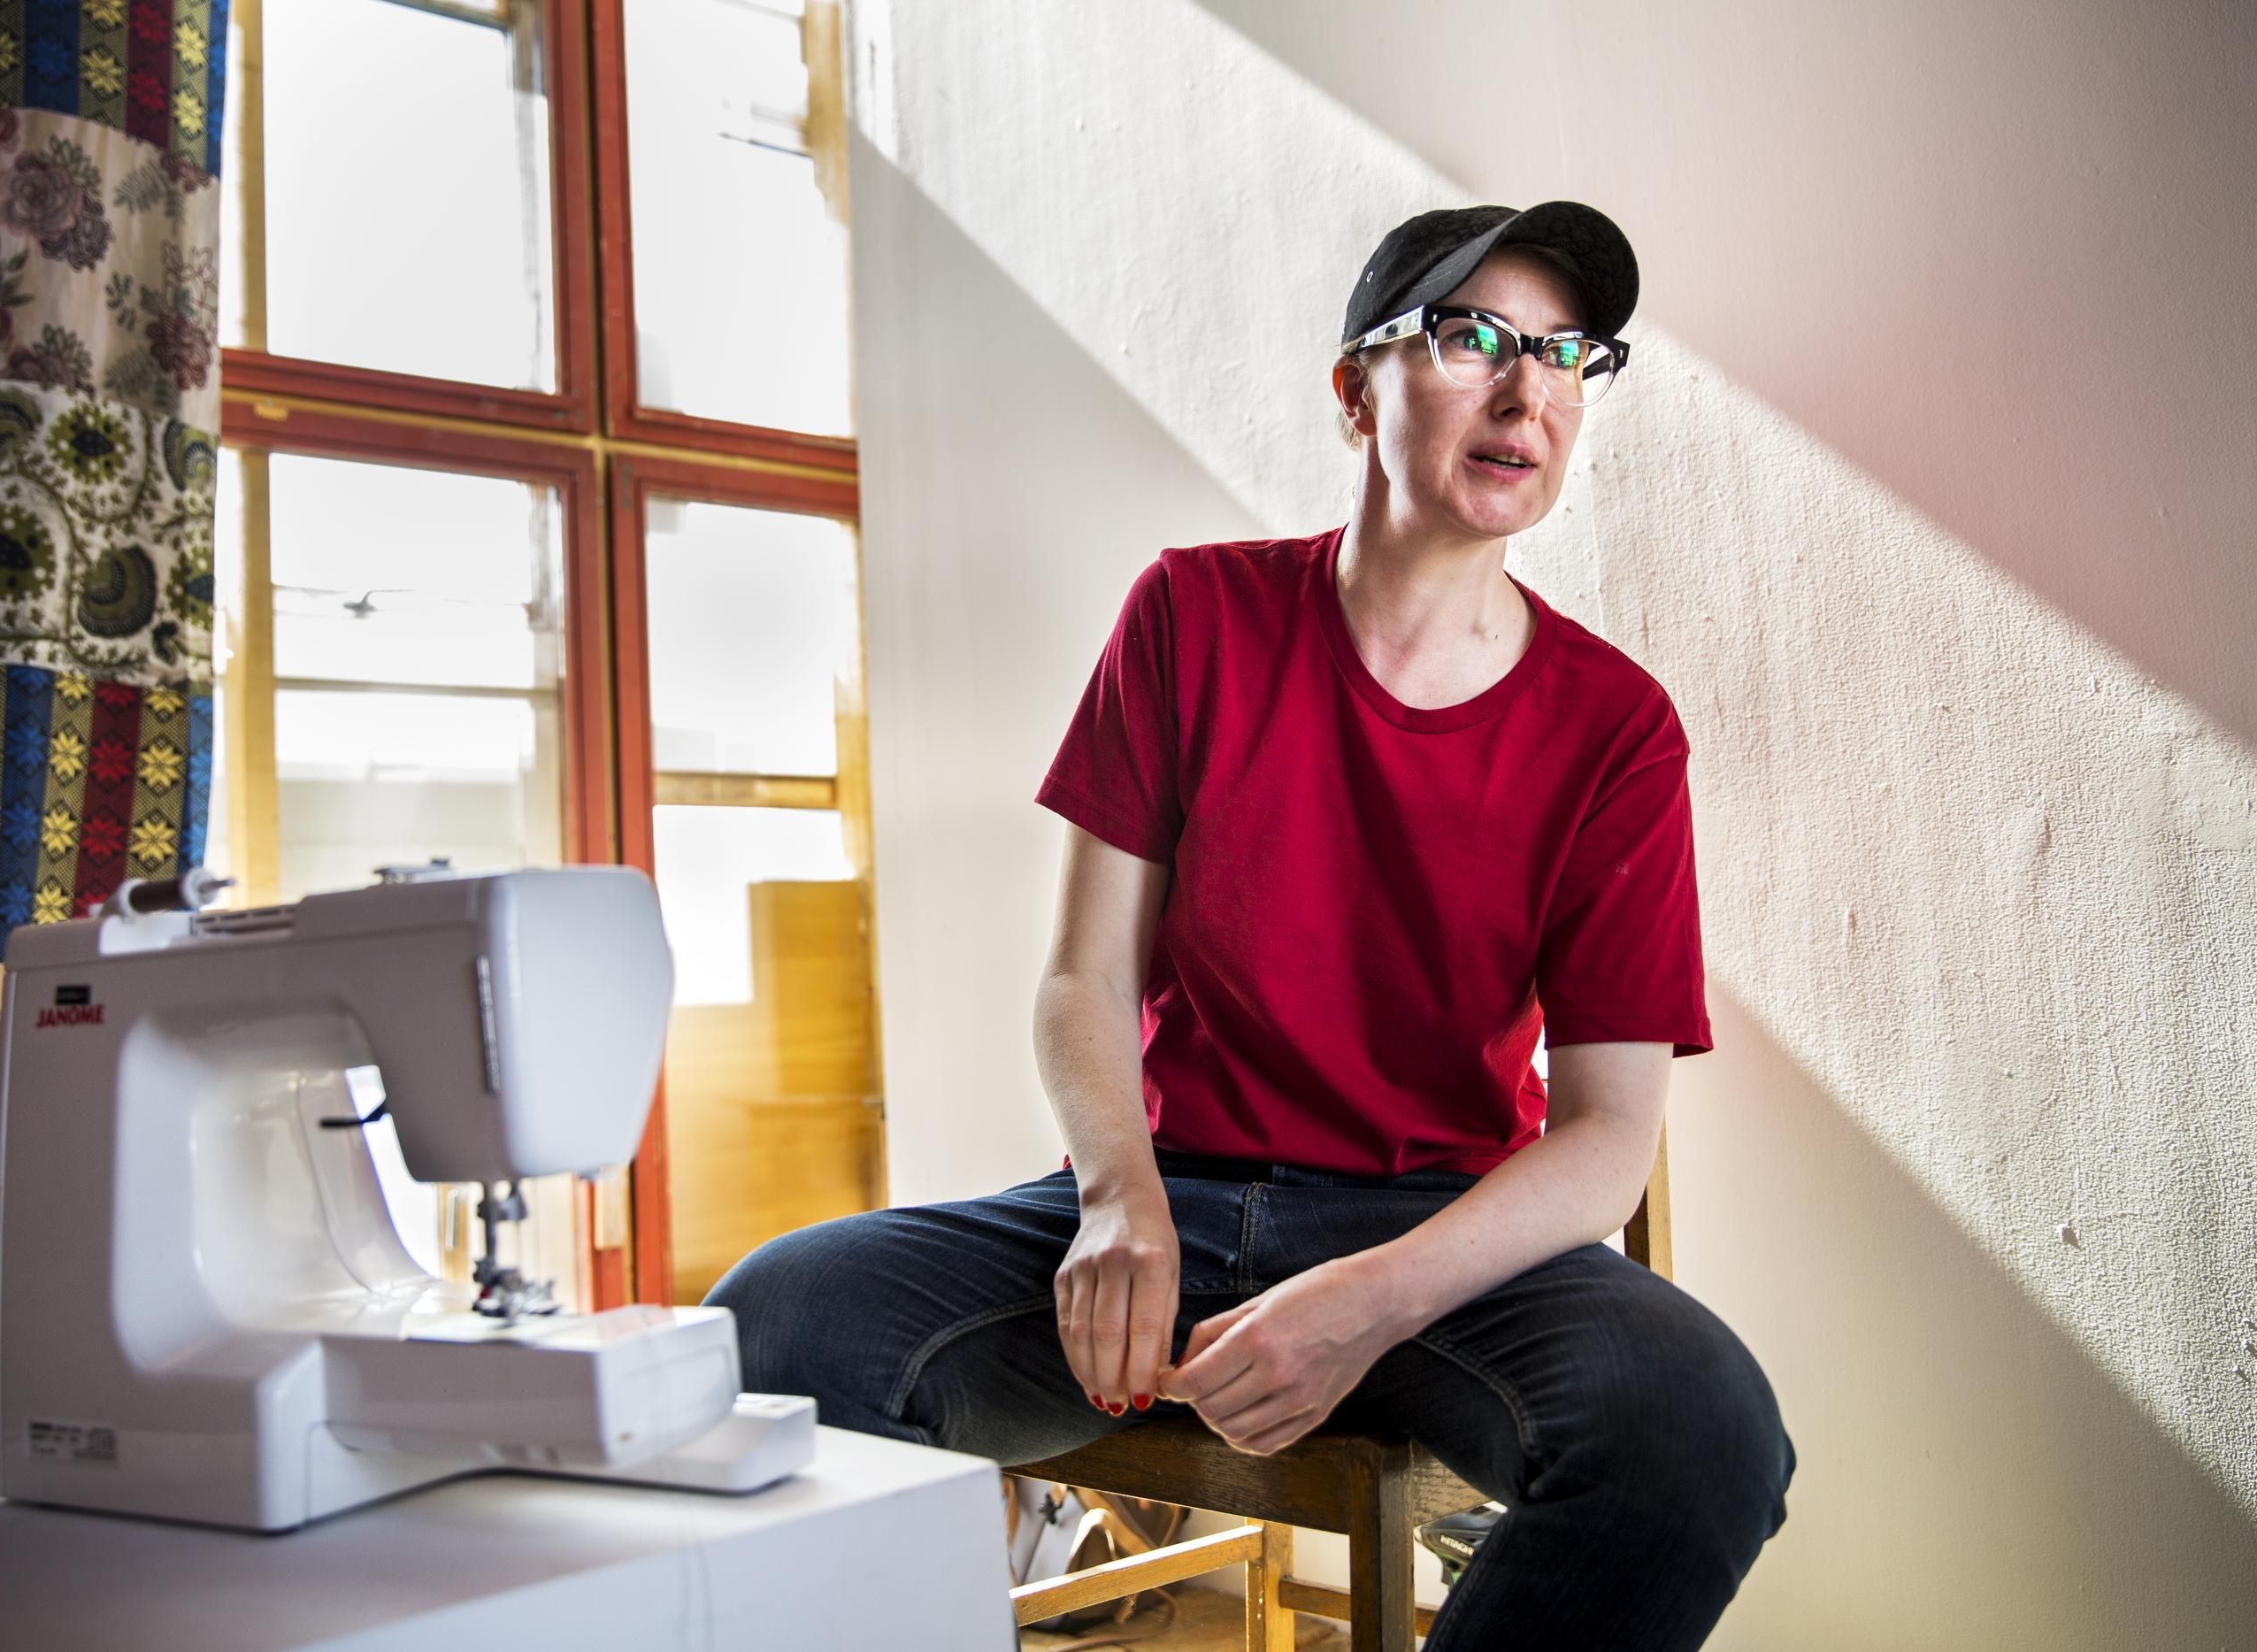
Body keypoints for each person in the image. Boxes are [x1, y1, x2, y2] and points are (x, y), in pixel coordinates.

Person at [710, 202, 1795, 1648]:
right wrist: (1116, 1196)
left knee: (1702, 1434)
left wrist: (1368, 1303)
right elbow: (1083, 978)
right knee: (769, 1328)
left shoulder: (1615, 728)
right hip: (1165, 1200)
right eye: (1472, 338)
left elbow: (1608, 1136)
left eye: (1563, 354)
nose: (1526, 392)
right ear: (1355, 390)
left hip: (1432, 1239)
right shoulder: (1193, 614)